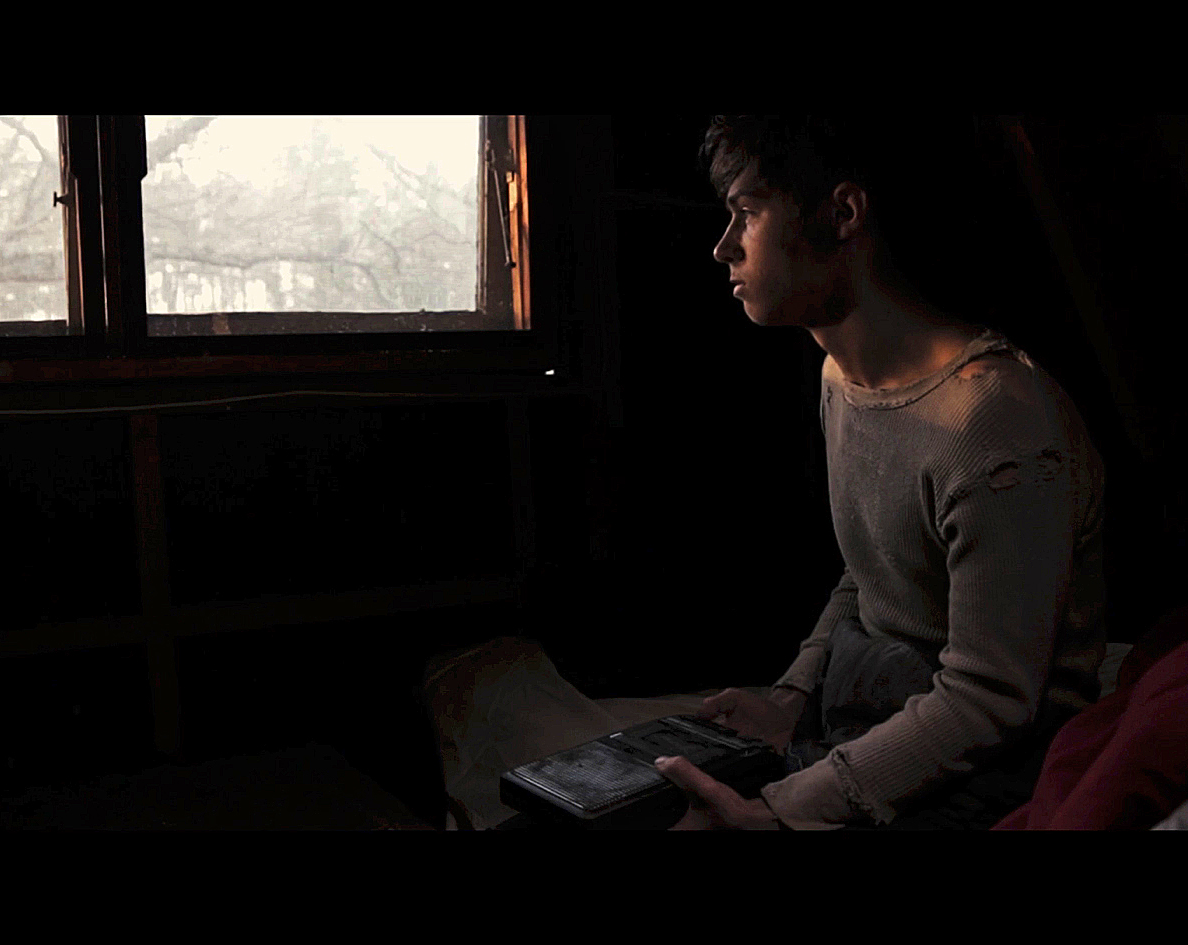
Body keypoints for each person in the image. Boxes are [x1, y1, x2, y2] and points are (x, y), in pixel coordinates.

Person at [424, 115, 1107, 830]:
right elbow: (870, 575)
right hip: (867, 719)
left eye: (747, 213)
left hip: (982, 775)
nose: (723, 246)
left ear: (843, 213)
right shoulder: (841, 377)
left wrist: (779, 809)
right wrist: (790, 698)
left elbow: (990, 699)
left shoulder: (995, 421)